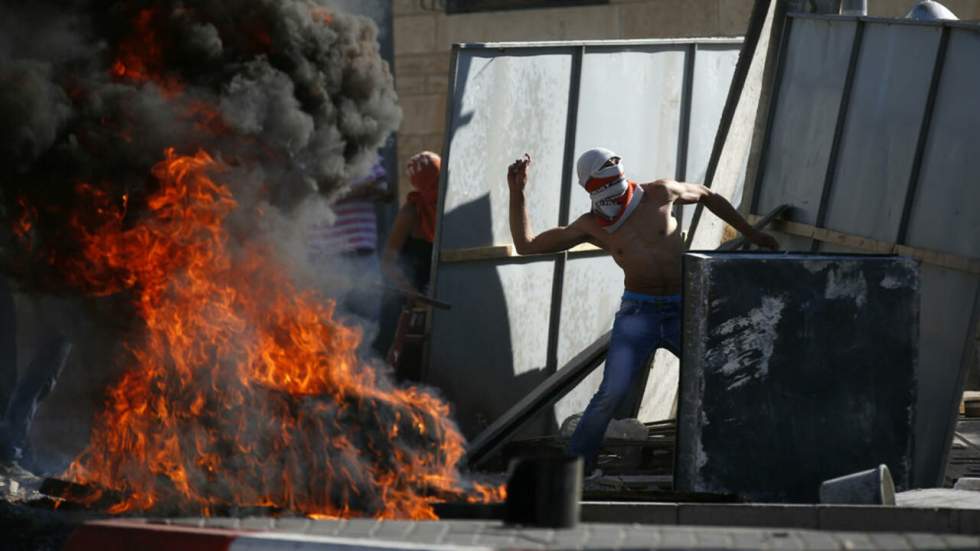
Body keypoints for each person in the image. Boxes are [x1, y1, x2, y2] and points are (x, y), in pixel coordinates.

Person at [506, 148, 778, 474]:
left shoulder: (659, 193)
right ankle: (576, 470)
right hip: (639, 313)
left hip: (683, 308)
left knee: (724, 374)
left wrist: (752, 234)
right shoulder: (592, 225)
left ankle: (742, 454)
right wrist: (517, 192)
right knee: (611, 393)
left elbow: (707, 195)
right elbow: (527, 245)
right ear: (591, 190)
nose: (617, 204)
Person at [375, 151, 440, 379]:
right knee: (392, 364)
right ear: (420, 186)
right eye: (432, 184)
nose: (438, 189)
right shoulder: (410, 212)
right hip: (401, 299)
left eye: (441, 181)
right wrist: (410, 291)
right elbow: (388, 262)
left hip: (433, 298)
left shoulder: (446, 209)